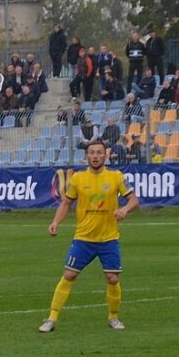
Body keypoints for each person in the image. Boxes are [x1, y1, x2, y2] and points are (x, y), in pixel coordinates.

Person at [38, 141, 139, 333]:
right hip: (83, 239)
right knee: (69, 275)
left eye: (99, 152)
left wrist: (125, 208)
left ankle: (113, 317)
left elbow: (134, 200)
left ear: (105, 155)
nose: (95, 156)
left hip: (108, 239)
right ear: (87, 156)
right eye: (91, 152)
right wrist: (55, 222)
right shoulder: (78, 179)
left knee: (112, 279)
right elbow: (66, 203)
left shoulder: (116, 176)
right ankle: (52, 318)